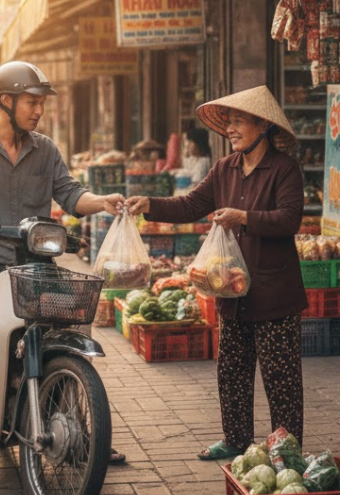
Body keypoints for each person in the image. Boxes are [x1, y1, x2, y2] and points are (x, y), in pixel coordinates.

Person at [0, 61, 126, 489]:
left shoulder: (45, 149)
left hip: (37, 267)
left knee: (70, 339)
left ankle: (85, 427)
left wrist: (102, 201)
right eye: (32, 102)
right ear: (6, 102)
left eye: (41, 104)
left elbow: (70, 194)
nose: (38, 111)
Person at [125, 85, 307, 460]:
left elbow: (289, 220)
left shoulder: (284, 170)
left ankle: (287, 451)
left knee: (281, 381)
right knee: (232, 373)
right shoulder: (225, 168)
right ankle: (236, 439)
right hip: (232, 291)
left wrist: (245, 218)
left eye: (239, 121)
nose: (231, 129)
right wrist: (150, 205)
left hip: (274, 294)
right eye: (229, 123)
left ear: (262, 125)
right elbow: (191, 204)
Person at [173, 127, 213, 195]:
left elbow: (195, 189)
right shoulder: (196, 160)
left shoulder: (202, 163)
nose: (188, 145)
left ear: (199, 144)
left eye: (191, 142)